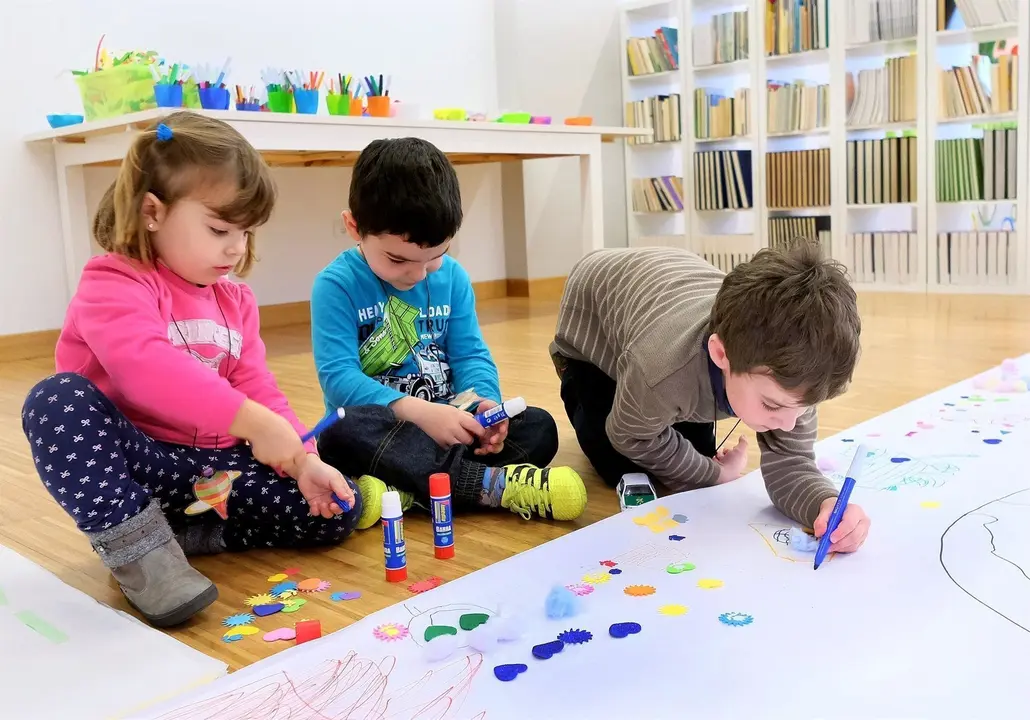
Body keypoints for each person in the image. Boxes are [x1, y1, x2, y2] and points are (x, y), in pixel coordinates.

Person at [20, 112, 360, 628]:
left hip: (212, 471)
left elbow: (256, 385)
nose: (236, 247)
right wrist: (255, 422)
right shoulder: (112, 282)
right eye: (219, 229)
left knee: (331, 509)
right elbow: (146, 370)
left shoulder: (236, 299)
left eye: (245, 232)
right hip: (143, 464)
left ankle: (188, 535)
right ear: (152, 212)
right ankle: (141, 552)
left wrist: (300, 459)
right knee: (55, 401)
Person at [310, 137, 587, 528]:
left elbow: (470, 355)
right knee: (340, 432)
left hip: (449, 429)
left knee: (539, 427)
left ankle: (405, 492)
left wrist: (484, 404)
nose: (418, 273)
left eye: (436, 257)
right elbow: (340, 380)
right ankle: (487, 486)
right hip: (387, 430)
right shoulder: (336, 285)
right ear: (354, 227)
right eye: (398, 260)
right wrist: (420, 413)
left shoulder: (453, 278)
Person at [550, 242, 871, 553]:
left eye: (803, 408)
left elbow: (791, 463)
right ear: (720, 354)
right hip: (591, 315)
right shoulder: (662, 369)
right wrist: (713, 474)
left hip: (668, 296)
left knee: (694, 451)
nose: (789, 423)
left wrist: (825, 504)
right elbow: (627, 433)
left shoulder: (797, 380)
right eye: (772, 405)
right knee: (618, 463)